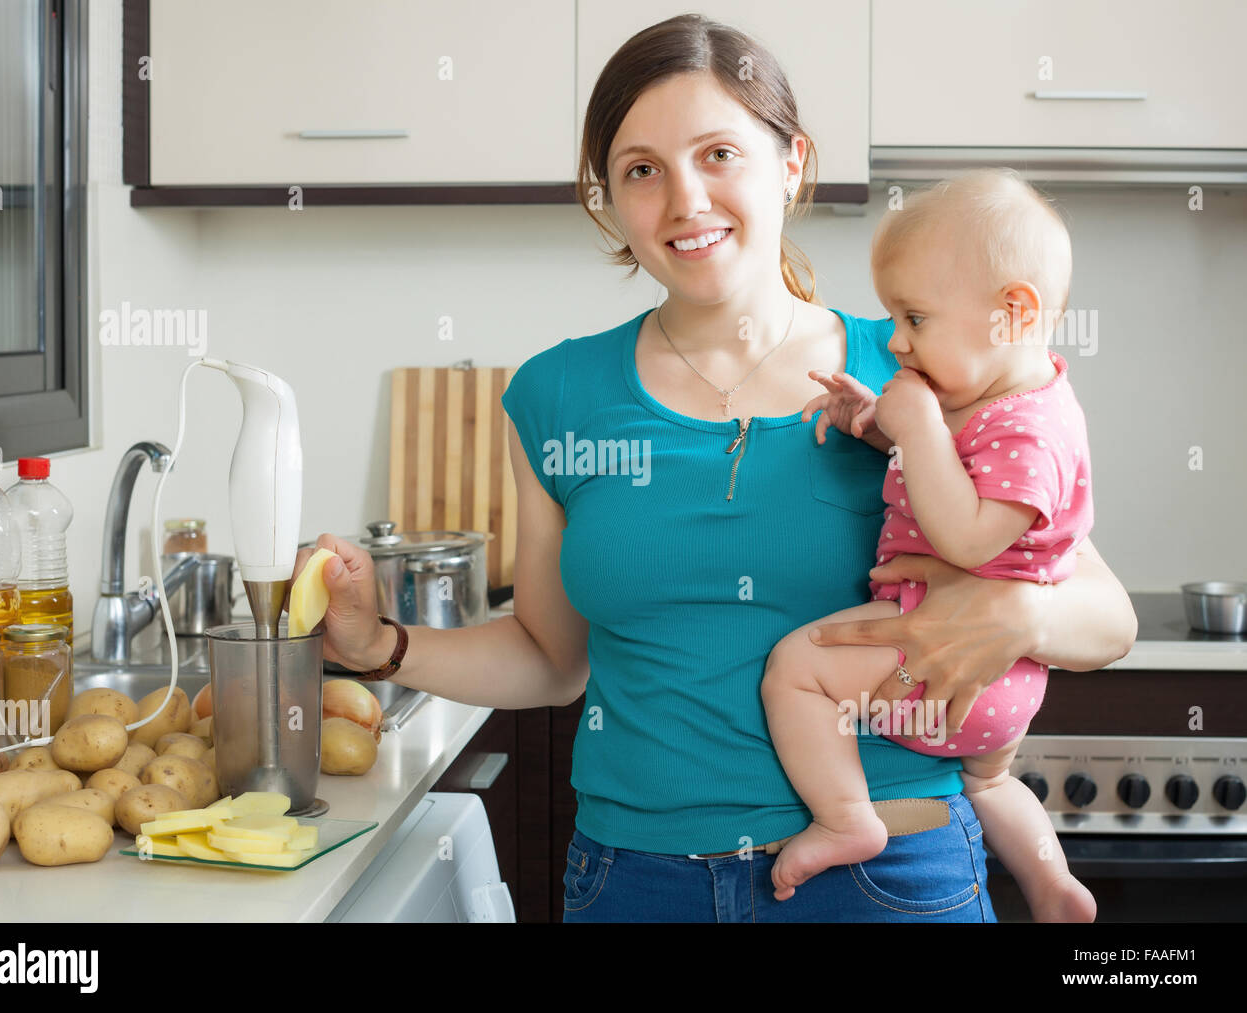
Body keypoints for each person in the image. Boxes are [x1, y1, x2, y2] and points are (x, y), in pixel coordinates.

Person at [291, 14, 1136, 922]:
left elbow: (1107, 617)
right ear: (609, 198)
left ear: (792, 162)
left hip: (890, 877)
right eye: (641, 170)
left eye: (719, 154)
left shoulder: (918, 371)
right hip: (635, 882)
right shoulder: (557, 395)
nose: (685, 200)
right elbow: (549, 661)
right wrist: (382, 647)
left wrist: (1020, 608)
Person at [761, 168, 1097, 922]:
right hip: (1001, 691)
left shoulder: (1032, 428)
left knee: (795, 672)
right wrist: (878, 421)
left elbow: (971, 537)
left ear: (1013, 314)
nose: (896, 339)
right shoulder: (999, 399)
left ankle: (846, 817)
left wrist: (912, 426)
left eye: (914, 317)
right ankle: (1050, 883)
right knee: (989, 783)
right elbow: (945, 464)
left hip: (947, 664)